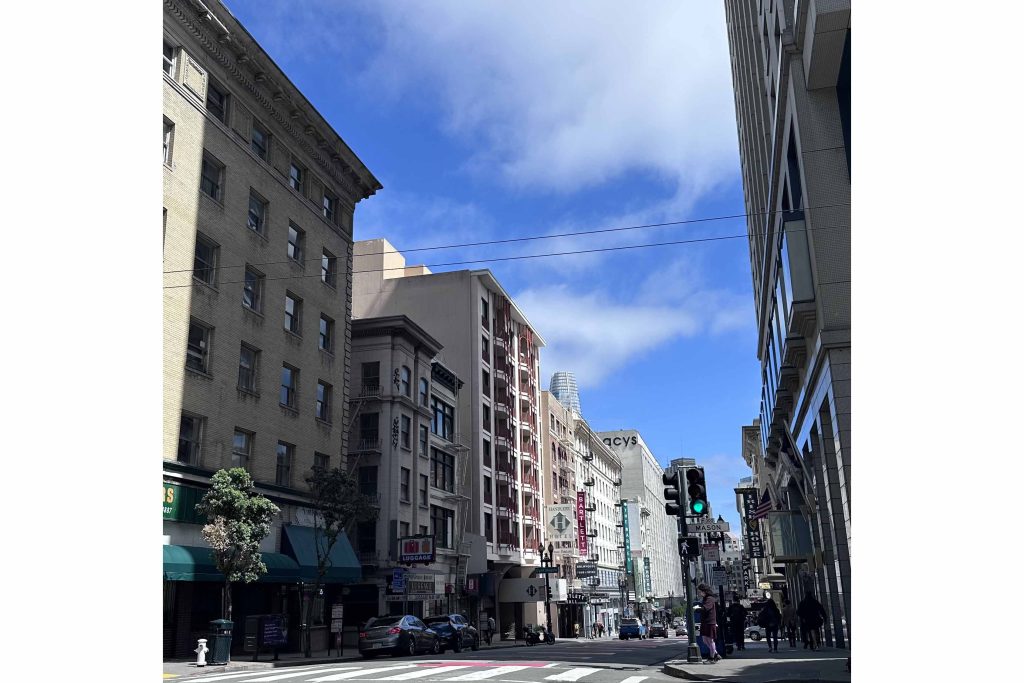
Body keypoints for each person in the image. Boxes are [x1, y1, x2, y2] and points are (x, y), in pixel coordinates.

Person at [698, 584, 720, 663]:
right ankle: (716, 654)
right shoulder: (705, 598)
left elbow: (706, 608)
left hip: (710, 621)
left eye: (701, 591)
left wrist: (698, 608)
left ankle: (712, 658)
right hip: (705, 621)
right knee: (705, 640)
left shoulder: (710, 599)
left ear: (704, 591)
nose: (700, 593)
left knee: (710, 640)